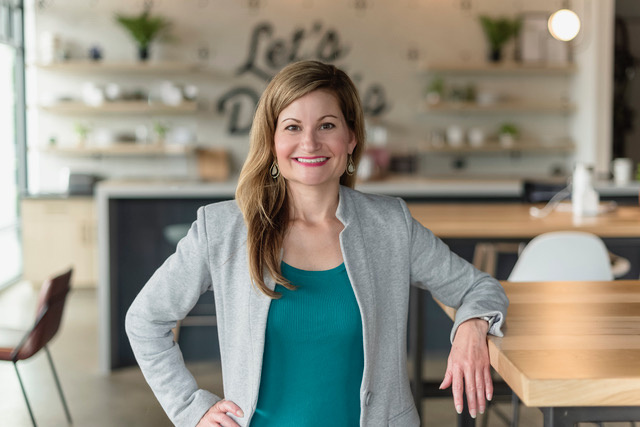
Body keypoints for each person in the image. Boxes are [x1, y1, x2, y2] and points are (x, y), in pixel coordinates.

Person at [126, 60, 508, 427]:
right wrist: (190, 408)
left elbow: (479, 287)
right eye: (292, 127)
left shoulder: (391, 224)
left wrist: (472, 326)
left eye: (326, 125)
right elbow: (145, 320)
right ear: (272, 141)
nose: (309, 143)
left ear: (351, 138)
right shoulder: (223, 229)